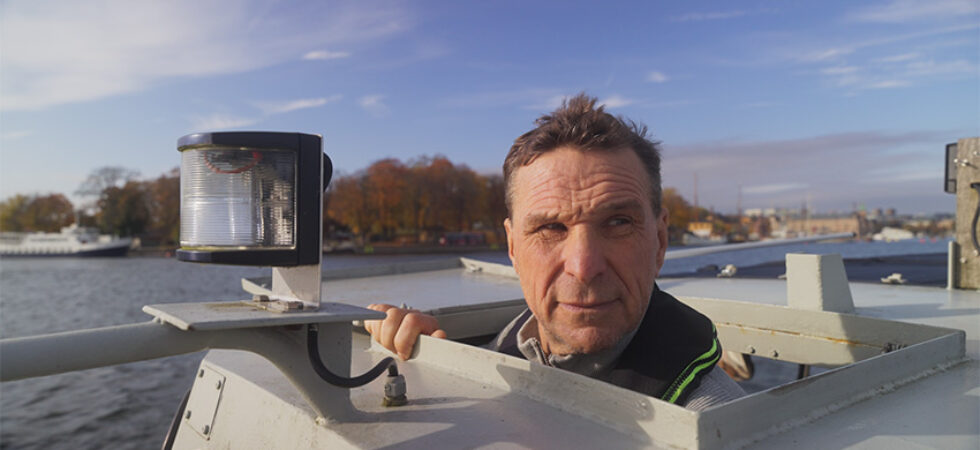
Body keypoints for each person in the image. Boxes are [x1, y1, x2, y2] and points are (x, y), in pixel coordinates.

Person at [365, 93, 744, 410]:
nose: (583, 266)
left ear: (660, 241)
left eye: (617, 223)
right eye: (550, 228)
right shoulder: (488, 356)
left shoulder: (716, 422)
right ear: (513, 247)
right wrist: (426, 359)